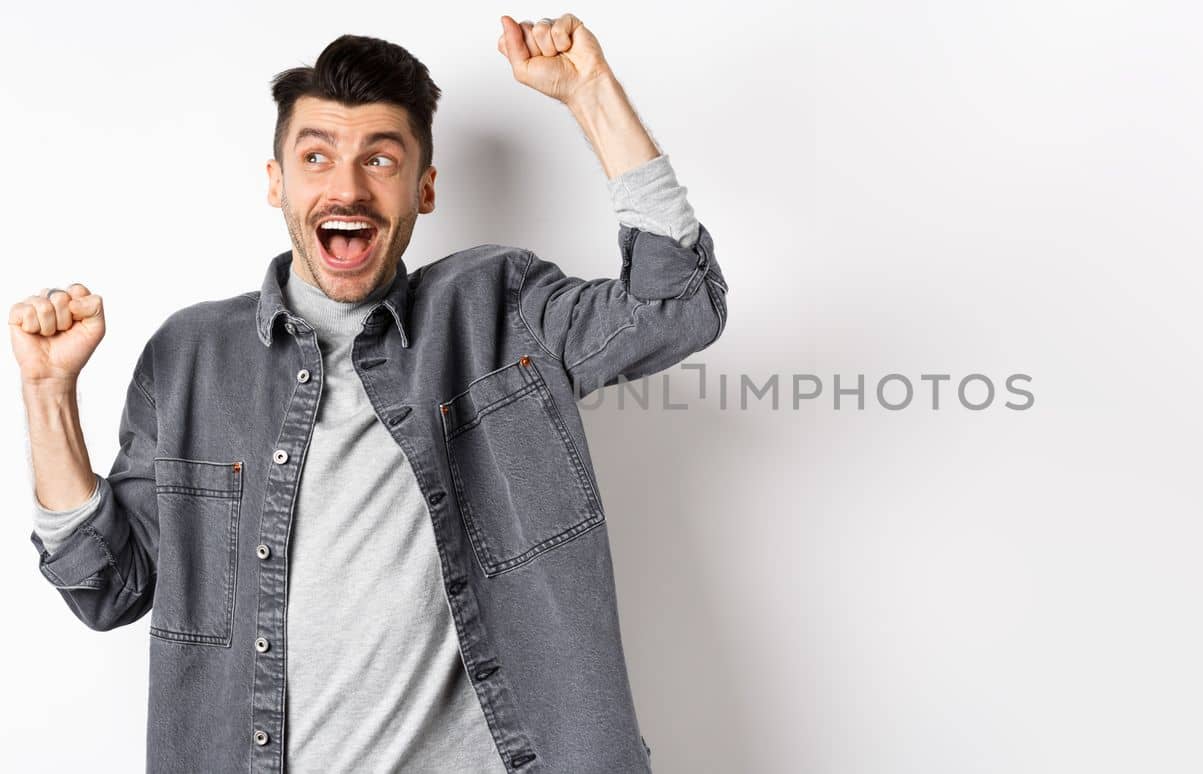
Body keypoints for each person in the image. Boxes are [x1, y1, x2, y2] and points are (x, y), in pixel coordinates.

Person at [10, 15, 726, 773]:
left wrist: (590, 93)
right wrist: (47, 392)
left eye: (379, 160)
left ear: (424, 189)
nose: (346, 187)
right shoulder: (190, 359)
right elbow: (106, 587)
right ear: (275, 181)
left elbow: (677, 307)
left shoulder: (498, 309)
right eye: (316, 156)